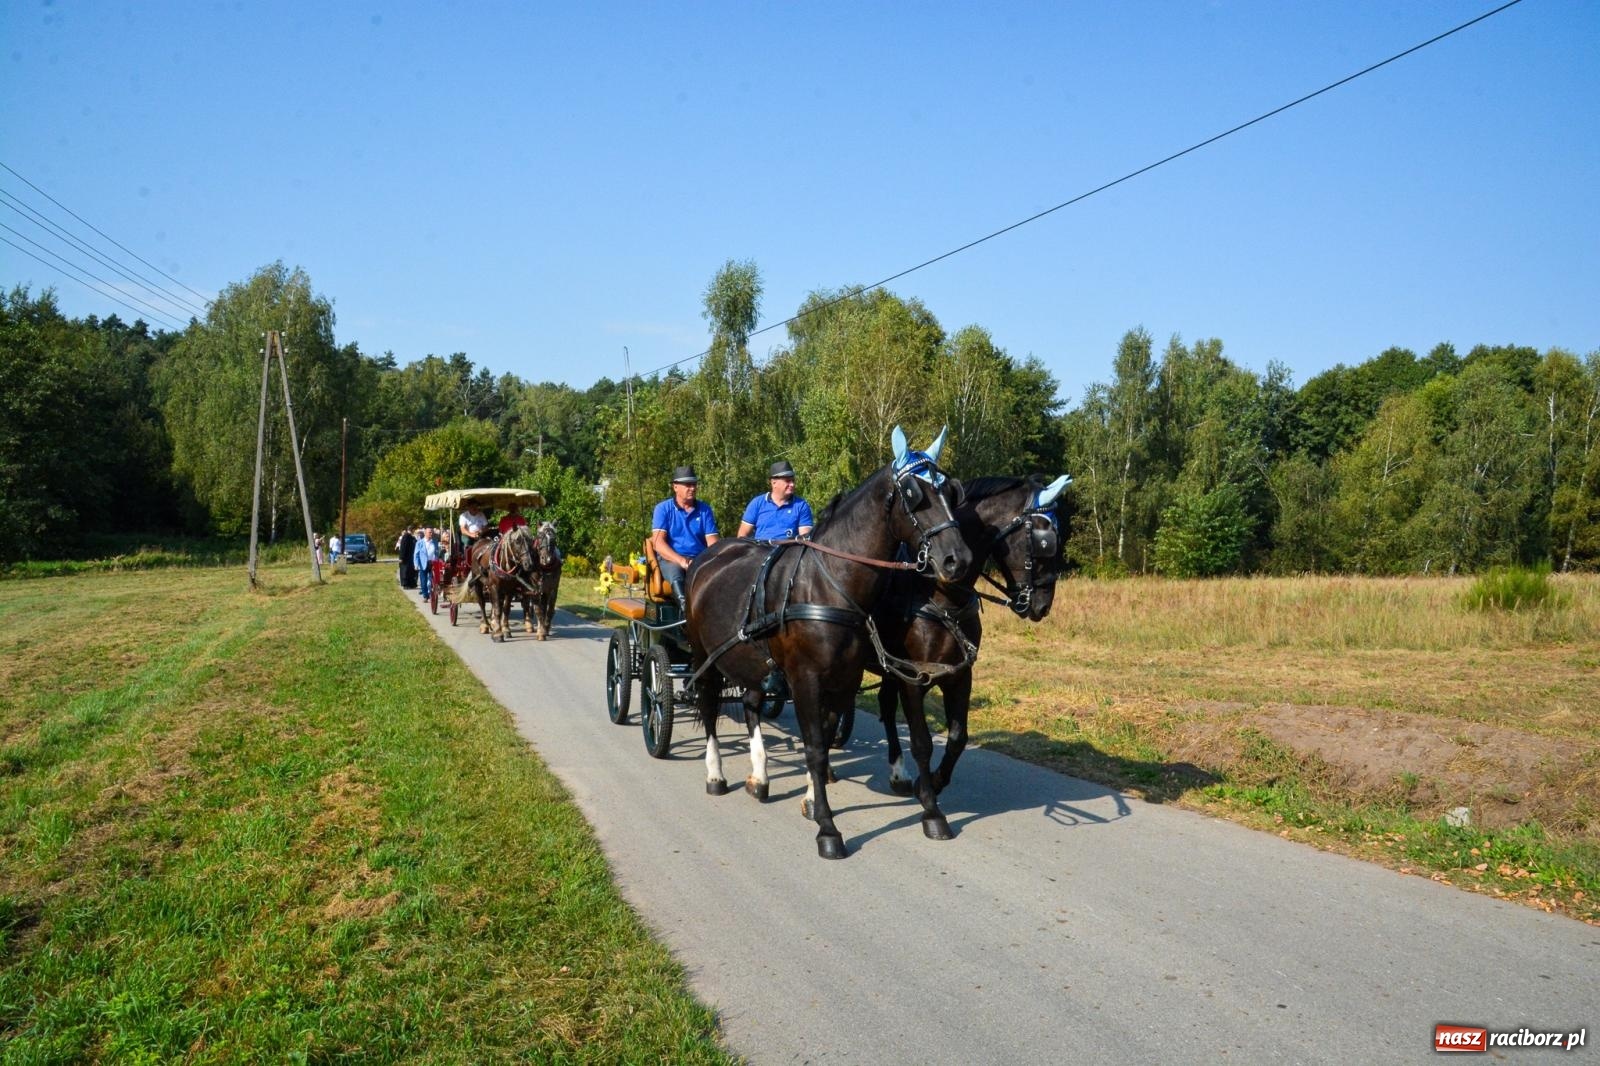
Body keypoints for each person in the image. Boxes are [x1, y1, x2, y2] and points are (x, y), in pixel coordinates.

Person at [650, 464, 719, 610]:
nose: (693, 488)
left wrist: (715, 561)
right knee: (676, 573)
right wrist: (682, 561)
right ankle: (685, 612)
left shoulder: (705, 510)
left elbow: (713, 543)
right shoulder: (663, 509)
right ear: (675, 487)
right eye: (688, 485)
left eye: (694, 484)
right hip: (671, 559)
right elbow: (658, 544)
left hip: (699, 559)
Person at [737, 460, 814, 541]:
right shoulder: (757, 503)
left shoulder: (801, 505)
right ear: (774, 483)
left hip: (787, 552)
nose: (792, 484)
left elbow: (805, 539)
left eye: (793, 481)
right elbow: (742, 536)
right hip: (760, 551)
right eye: (787, 481)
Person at [414, 528, 438, 601]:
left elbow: (437, 552)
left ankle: (431, 593)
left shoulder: (434, 542)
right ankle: (425, 595)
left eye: (432, 532)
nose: (431, 534)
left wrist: (437, 559)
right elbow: (416, 554)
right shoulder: (420, 543)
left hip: (433, 563)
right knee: (423, 581)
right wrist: (416, 564)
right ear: (425, 533)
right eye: (429, 532)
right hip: (423, 563)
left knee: (432, 580)